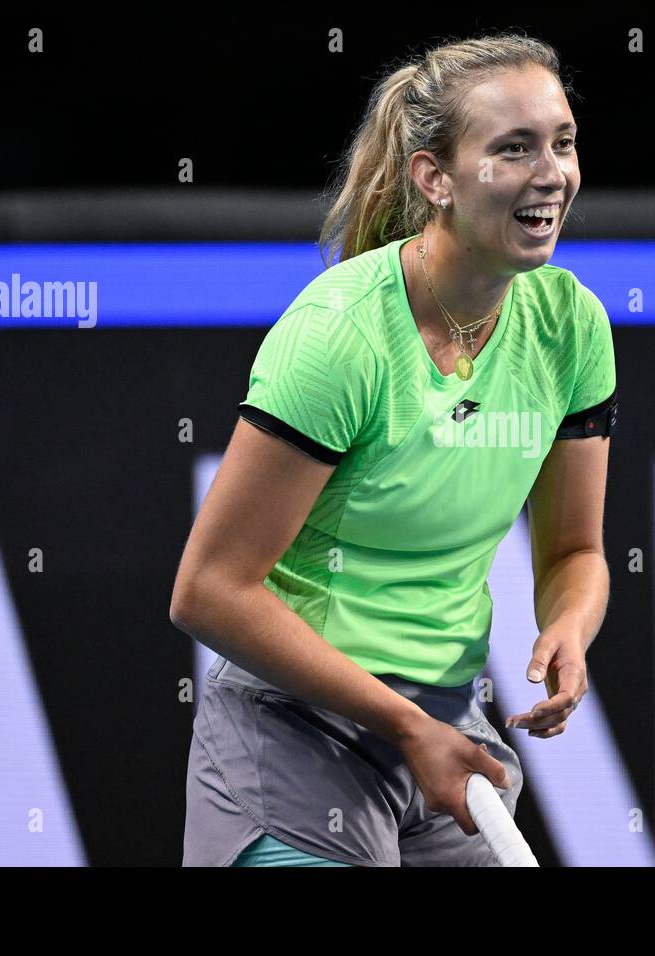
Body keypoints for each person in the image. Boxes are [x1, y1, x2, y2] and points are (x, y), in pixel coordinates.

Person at [170, 31, 617, 867]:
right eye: (512, 148)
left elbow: (576, 549)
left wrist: (569, 624)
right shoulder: (340, 338)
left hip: (446, 728)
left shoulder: (571, 326)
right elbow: (207, 590)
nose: (551, 171)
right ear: (434, 178)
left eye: (562, 142)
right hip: (294, 731)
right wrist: (406, 726)